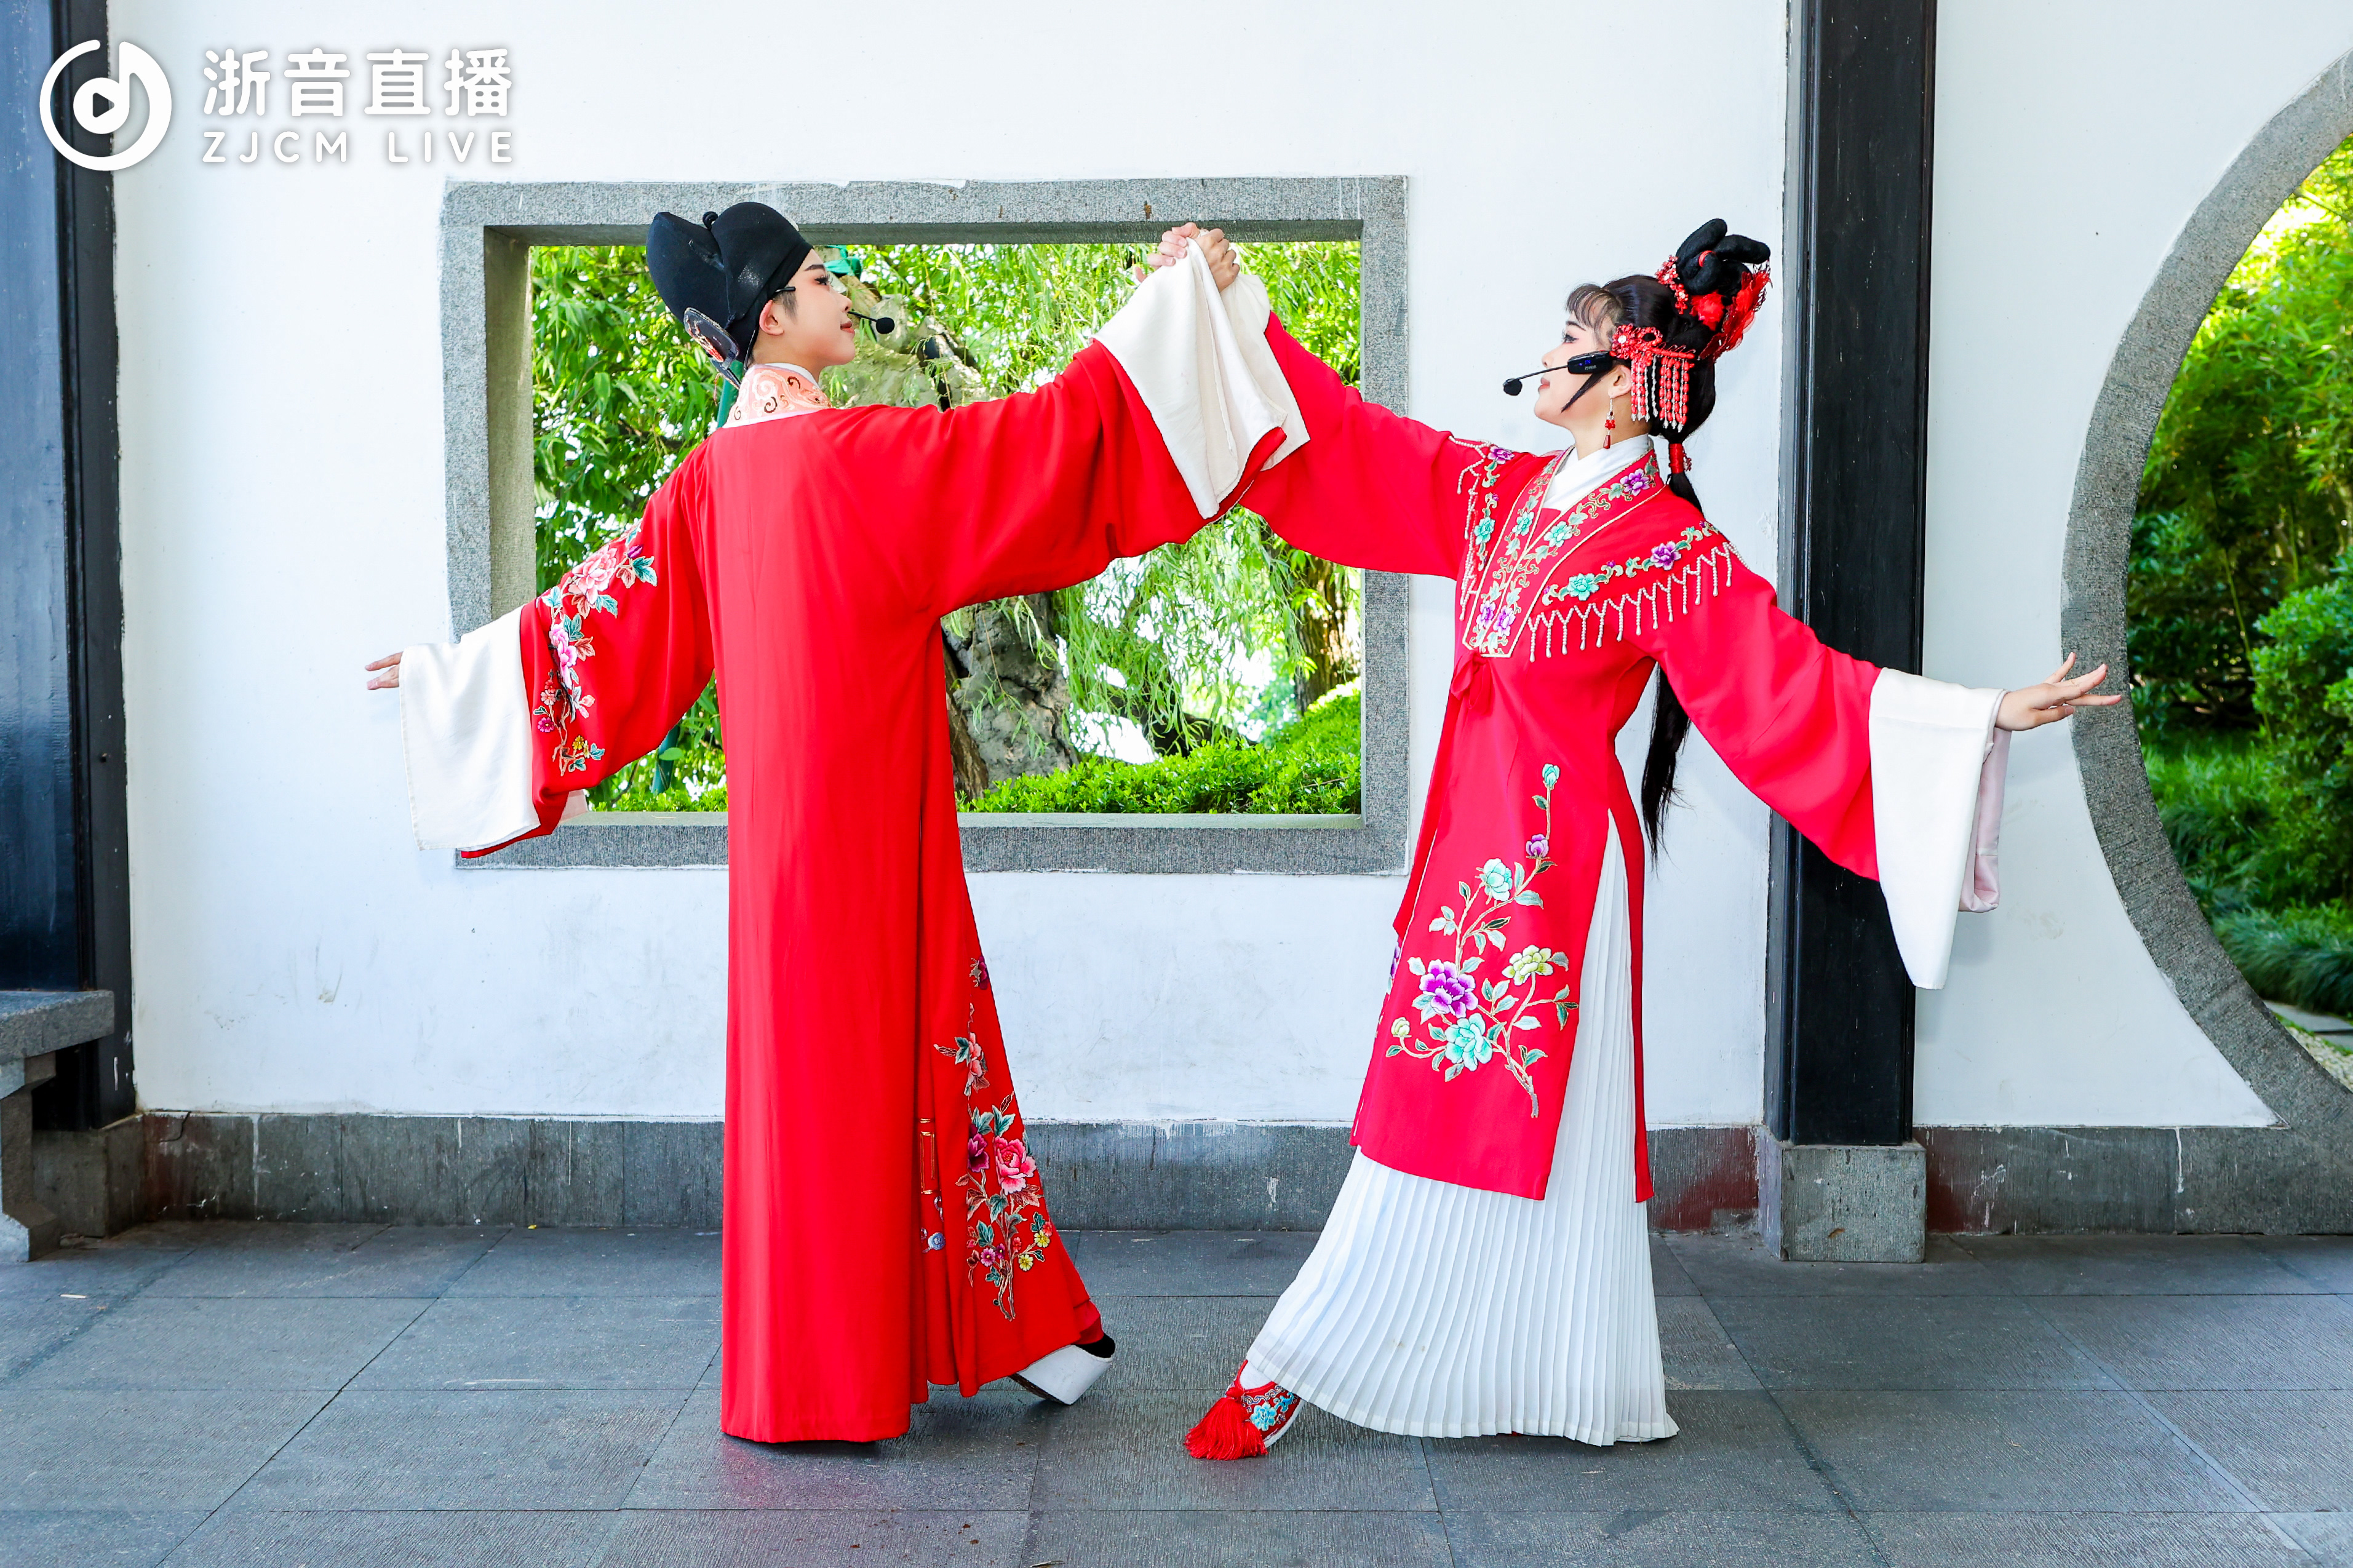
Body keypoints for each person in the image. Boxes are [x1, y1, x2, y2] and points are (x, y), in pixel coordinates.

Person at [1147, 219, 2118, 1457]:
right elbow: (1345, 441)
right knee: (1453, 1098)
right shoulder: (1497, 494)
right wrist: (1236, 305)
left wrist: (1980, 715)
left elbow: (1797, 687)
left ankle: (1297, 1355)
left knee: (1459, 1101)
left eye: (1570, 339)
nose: (1547, 356)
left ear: (1623, 384)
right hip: (1474, 851)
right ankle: (1555, 1373)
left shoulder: (1668, 549)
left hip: (1555, 867)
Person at [367, 205, 1304, 1443]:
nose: (845, 292)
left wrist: (455, 680)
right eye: (820, 279)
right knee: (907, 1055)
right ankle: (903, 1360)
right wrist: (1166, 305)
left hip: (780, 860)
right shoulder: (859, 455)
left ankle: (906, 1355)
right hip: (873, 838)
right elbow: (1047, 445)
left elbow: (593, 627)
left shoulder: (712, 483)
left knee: (824, 1088)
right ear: (771, 318)